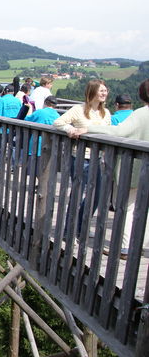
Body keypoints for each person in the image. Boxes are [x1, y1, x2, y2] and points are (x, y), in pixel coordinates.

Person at [71, 79, 149, 258]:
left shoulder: (141, 113)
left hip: (136, 169)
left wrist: (87, 129)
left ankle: (125, 248)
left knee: (128, 207)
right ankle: (140, 244)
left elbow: (118, 132)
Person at [54, 79, 111, 238]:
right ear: (91, 92)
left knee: (97, 195)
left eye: (105, 91)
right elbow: (58, 122)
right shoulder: (78, 109)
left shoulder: (105, 113)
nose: (104, 93)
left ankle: (80, 225)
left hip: (97, 158)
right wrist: (70, 129)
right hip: (80, 157)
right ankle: (70, 230)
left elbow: (109, 132)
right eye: (101, 91)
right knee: (77, 195)